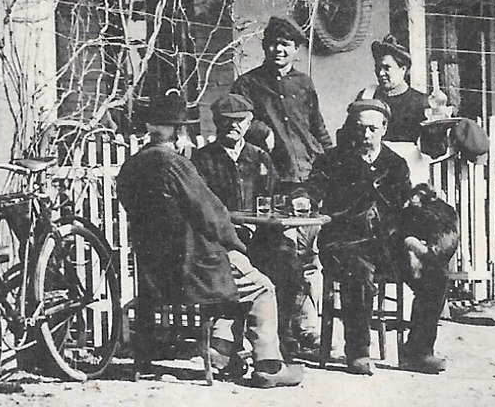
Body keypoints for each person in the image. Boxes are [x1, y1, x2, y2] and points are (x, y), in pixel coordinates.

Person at [114, 89, 303, 388]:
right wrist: (236, 247)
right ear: (179, 131)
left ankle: (222, 350)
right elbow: (212, 215)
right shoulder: (176, 164)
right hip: (193, 269)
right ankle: (269, 365)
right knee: (261, 286)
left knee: (241, 277)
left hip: (153, 272)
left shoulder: (131, 167)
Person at [307, 99, 452, 375]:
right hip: (344, 242)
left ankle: (418, 351)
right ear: (351, 128)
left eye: (372, 128)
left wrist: (422, 212)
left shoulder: (395, 164)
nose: (365, 134)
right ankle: (358, 352)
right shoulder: (332, 160)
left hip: (387, 244)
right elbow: (313, 187)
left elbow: (405, 208)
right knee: (358, 271)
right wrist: (303, 198)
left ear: (384, 128)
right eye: (359, 128)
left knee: (436, 272)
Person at [192, 93, 315, 355]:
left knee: (287, 262)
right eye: (227, 121)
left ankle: (284, 334)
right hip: (225, 238)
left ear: (249, 123)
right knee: (243, 272)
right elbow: (202, 208)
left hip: (259, 235)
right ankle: (233, 342)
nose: (234, 126)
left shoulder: (259, 157)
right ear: (216, 123)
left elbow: (277, 192)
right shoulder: (203, 160)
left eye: (241, 121)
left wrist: (298, 199)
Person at [231, 15, 333, 184]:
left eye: (285, 44)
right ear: (264, 46)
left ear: (296, 49)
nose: (278, 49)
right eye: (273, 43)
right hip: (271, 169)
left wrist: (331, 158)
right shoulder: (247, 83)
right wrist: (263, 131)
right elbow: (236, 121)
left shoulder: (304, 82)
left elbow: (318, 126)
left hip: (309, 167)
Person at [365, 36, 429, 144]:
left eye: (387, 68)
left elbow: (432, 149)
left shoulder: (420, 102)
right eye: (378, 67)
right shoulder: (367, 96)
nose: (380, 73)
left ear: (403, 69)